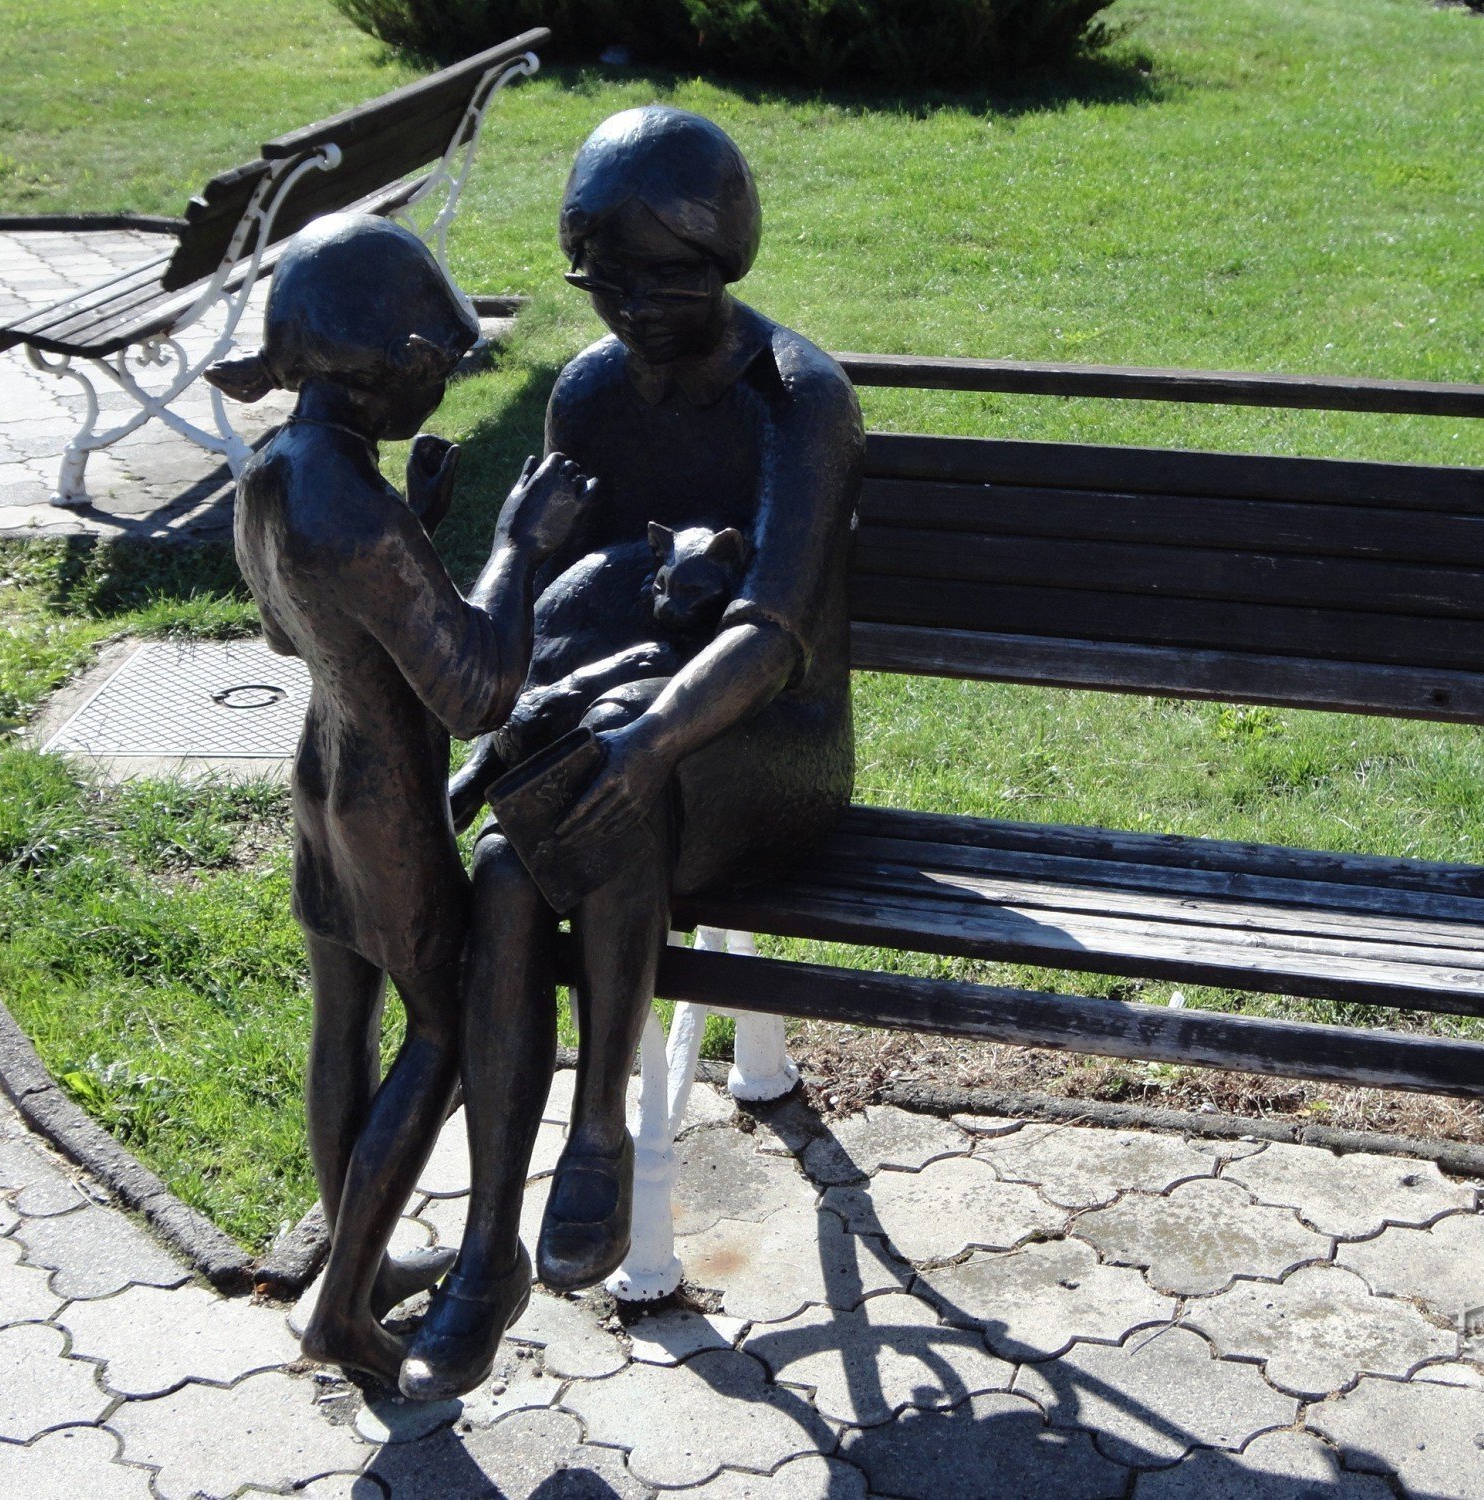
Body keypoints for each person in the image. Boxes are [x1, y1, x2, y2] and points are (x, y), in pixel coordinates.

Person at [401, 105, 865, 1400]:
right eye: (609, 278)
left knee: (602, 807)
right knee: (504, 870)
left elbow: (773, 633)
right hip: (620, 723)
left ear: (728, 261)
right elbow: (556, 607)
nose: (638, 306)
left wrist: (652, 739)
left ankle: (597, 1125)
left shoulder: (798, 399)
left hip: (772, 746)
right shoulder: (590, 393)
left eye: (671, 276)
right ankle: (489, 1248)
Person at [215, 213, 595, 1385]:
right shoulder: (354, 508)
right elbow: (478, 689)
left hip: (318, 772)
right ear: (375, 364)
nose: (438, 383)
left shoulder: (277, 473)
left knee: (347, 1016)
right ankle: (340, 1310)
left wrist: (415, 540)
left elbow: (298, 630)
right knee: (440, 1026)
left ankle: (360, 1255)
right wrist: (521, 544)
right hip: (384, 801)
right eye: (430, 364)